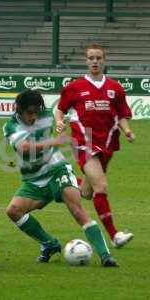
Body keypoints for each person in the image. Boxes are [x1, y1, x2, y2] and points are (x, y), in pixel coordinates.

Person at [4, 89, 118, 267]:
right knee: (13, 211)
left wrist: (63, 123)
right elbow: (25, 148)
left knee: (77, 210)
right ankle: (49, 244)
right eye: (29, 113)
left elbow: (68, 114)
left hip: (57, 169)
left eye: (36, 112)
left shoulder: (48, 115)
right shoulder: (11, 126)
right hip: (34, 179)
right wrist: (53, 141)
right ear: (18, 109)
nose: (33, 117)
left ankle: (106, 256)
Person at [55, 43, 134, 248]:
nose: (95, 62)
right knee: (101, 186)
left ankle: (62, 186)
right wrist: (59, 121)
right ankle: (115, 235)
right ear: (86, 61)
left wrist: (127, 130)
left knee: (88, 192)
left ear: (104, 60)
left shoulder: (115, 88)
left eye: (98, 58)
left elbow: (123, 114)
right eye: (91, 58)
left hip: (107, 143)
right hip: (84, 142)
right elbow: (60, 109)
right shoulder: (75, 87)